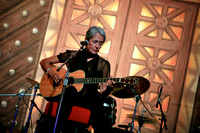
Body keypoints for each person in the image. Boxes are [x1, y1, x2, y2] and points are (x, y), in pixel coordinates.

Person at [39, 26, 115, 133]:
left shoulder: (103, 64)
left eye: (100, 43)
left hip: (88, 99)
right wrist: (51, 72)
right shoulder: (73, 55)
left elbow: (103, 92)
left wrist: (108, 89)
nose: (97, 46)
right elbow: (44, 62)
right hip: (67, 96)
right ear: (86, 40)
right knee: (70, 91)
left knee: (98, 107)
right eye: (95, 42)